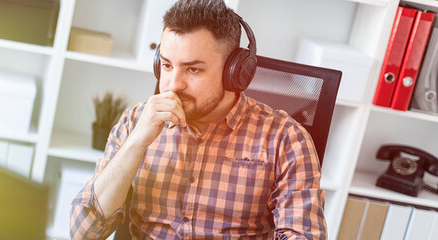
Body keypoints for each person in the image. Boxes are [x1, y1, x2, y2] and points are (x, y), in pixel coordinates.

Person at [70, 0, 326, 239]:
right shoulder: (136, 121)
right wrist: (135, 144)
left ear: (234, 72)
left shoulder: (284, 139)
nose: (172, 85)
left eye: (193, 69)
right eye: (167, 66)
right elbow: (85, 231)